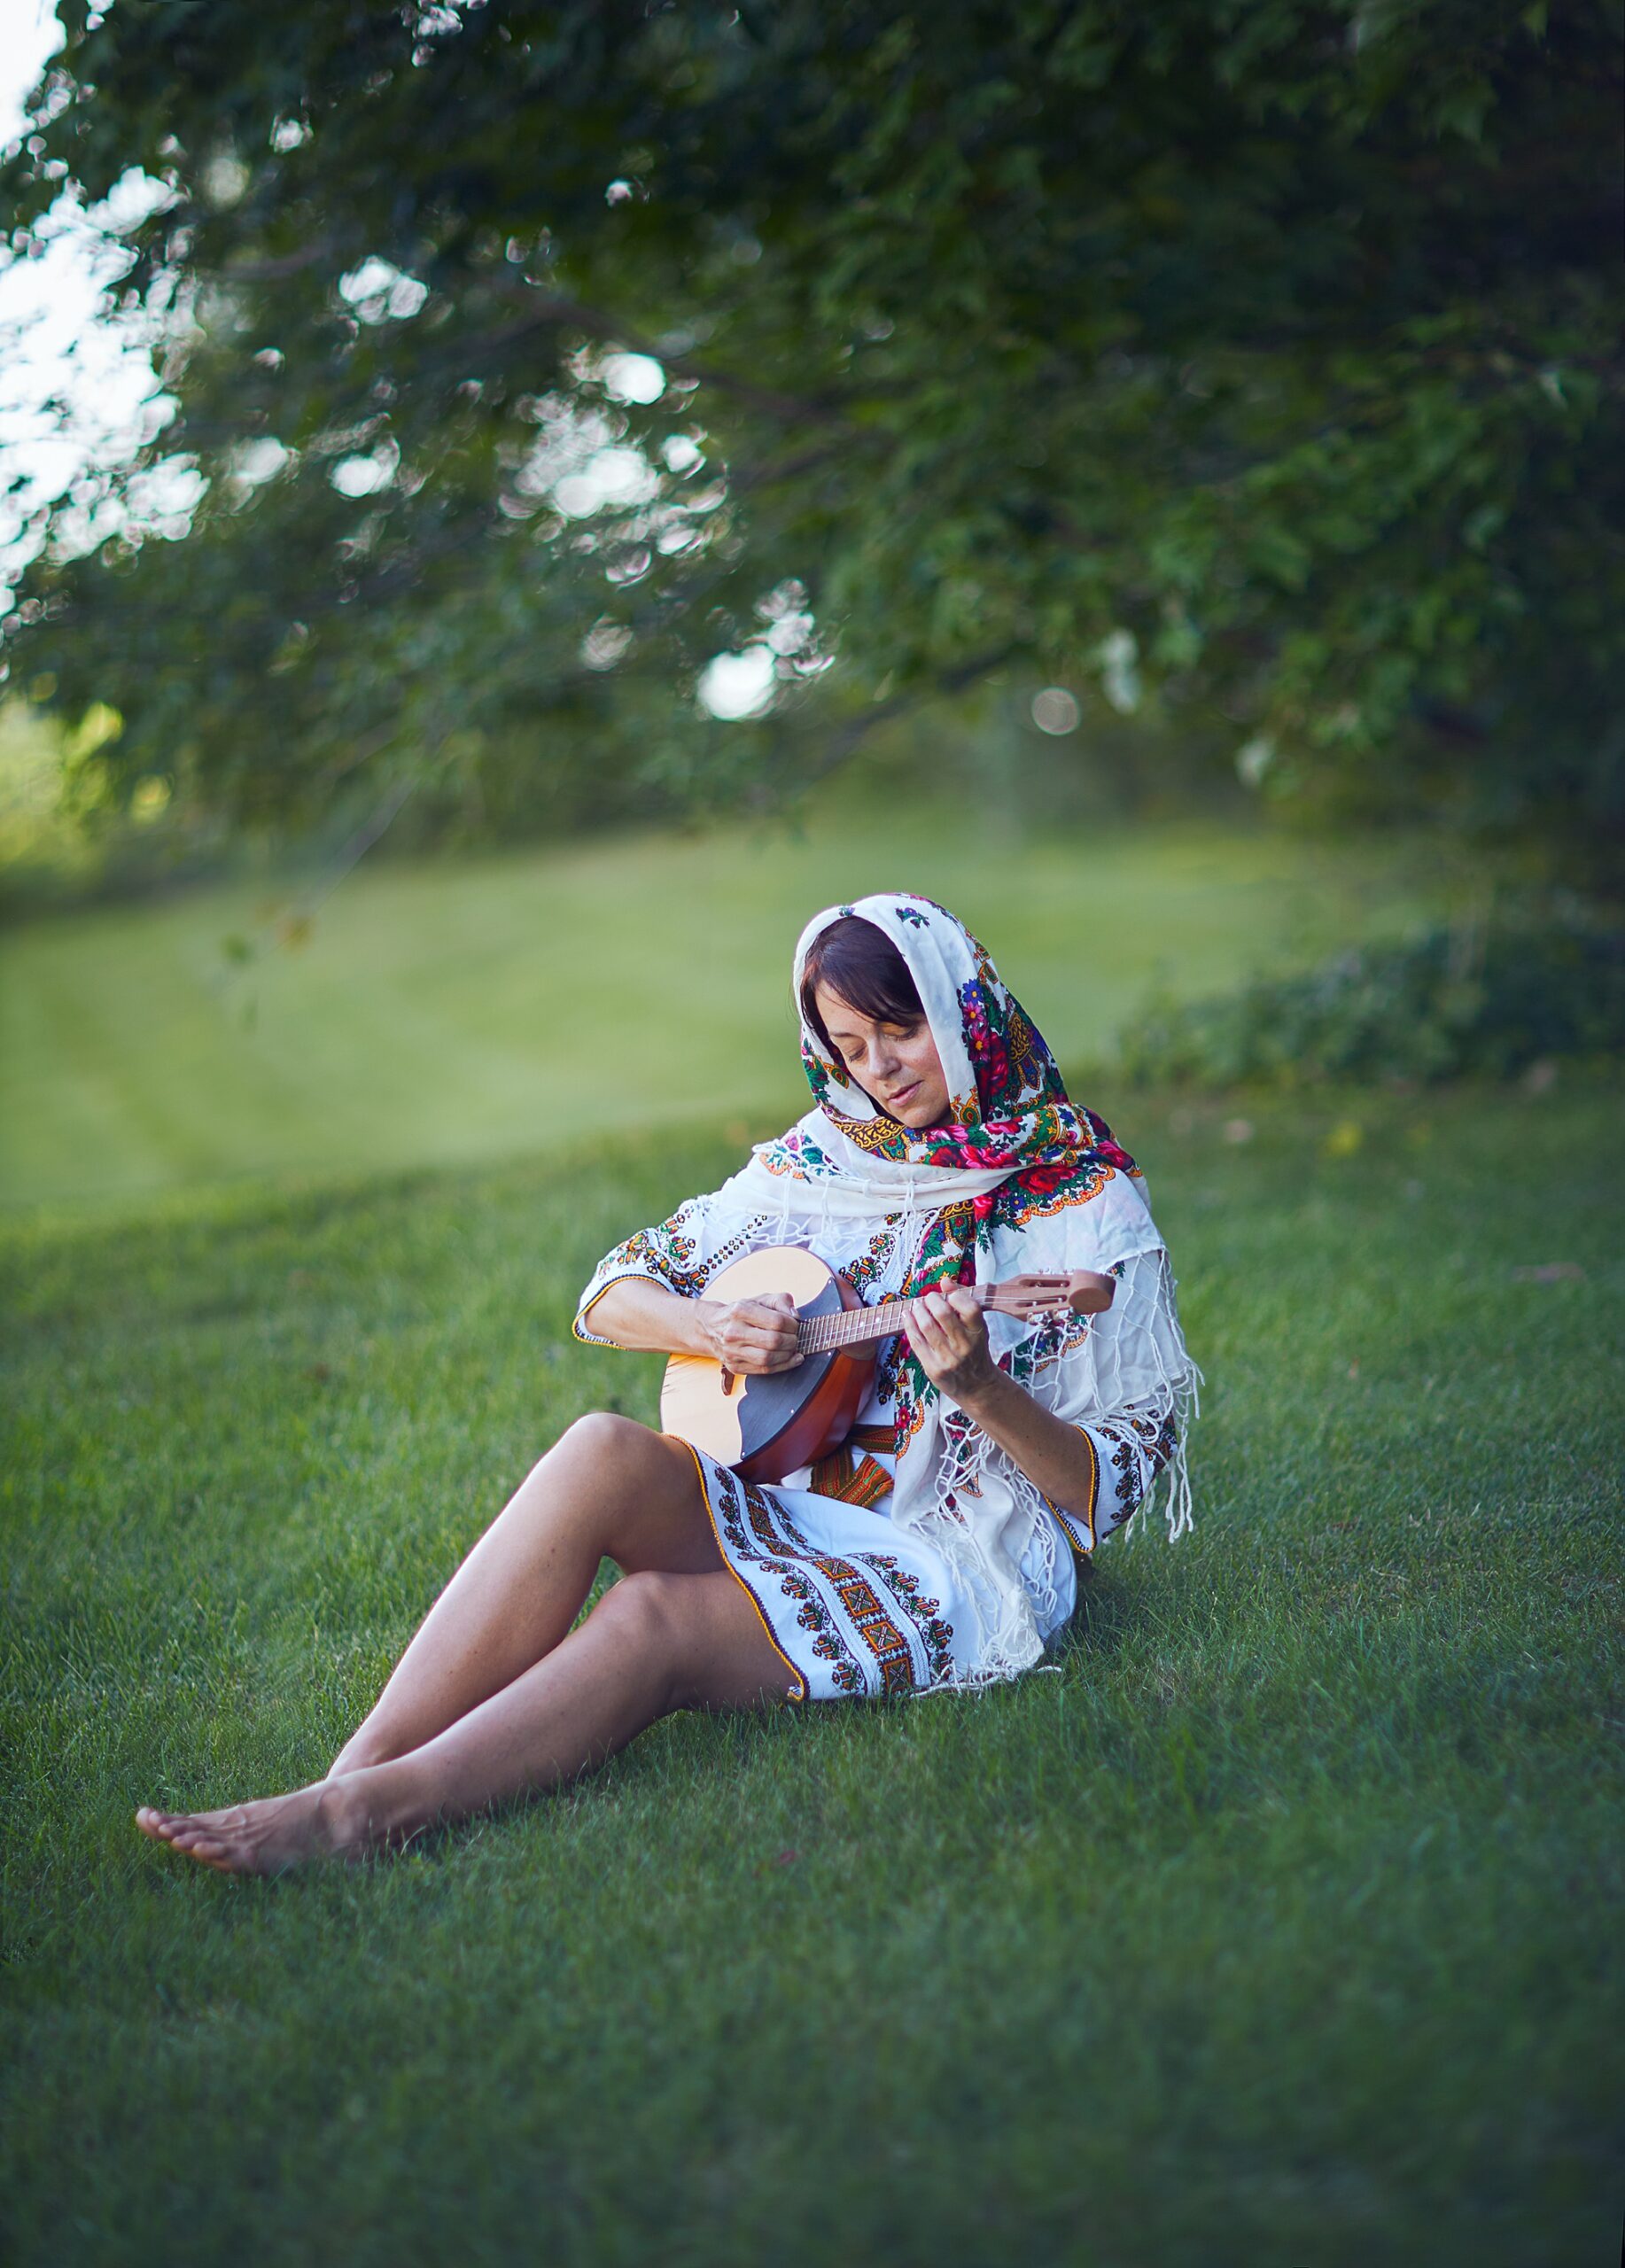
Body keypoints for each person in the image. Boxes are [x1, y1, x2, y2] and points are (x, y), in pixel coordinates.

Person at [136, 893, 1195, 1874]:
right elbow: (610, 1291)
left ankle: (369, 1817)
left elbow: (1101, 1494)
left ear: (966, 1007)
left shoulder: (1080, 1202)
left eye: (903, 1031)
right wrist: (710, 1323)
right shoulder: (824, 1160)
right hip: (799, 1496)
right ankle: (345, 1771)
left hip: (954, 1552)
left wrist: (978, 1389)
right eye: (852, 1046)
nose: (882, 1070)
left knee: (654, 1622)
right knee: (599, 1447)